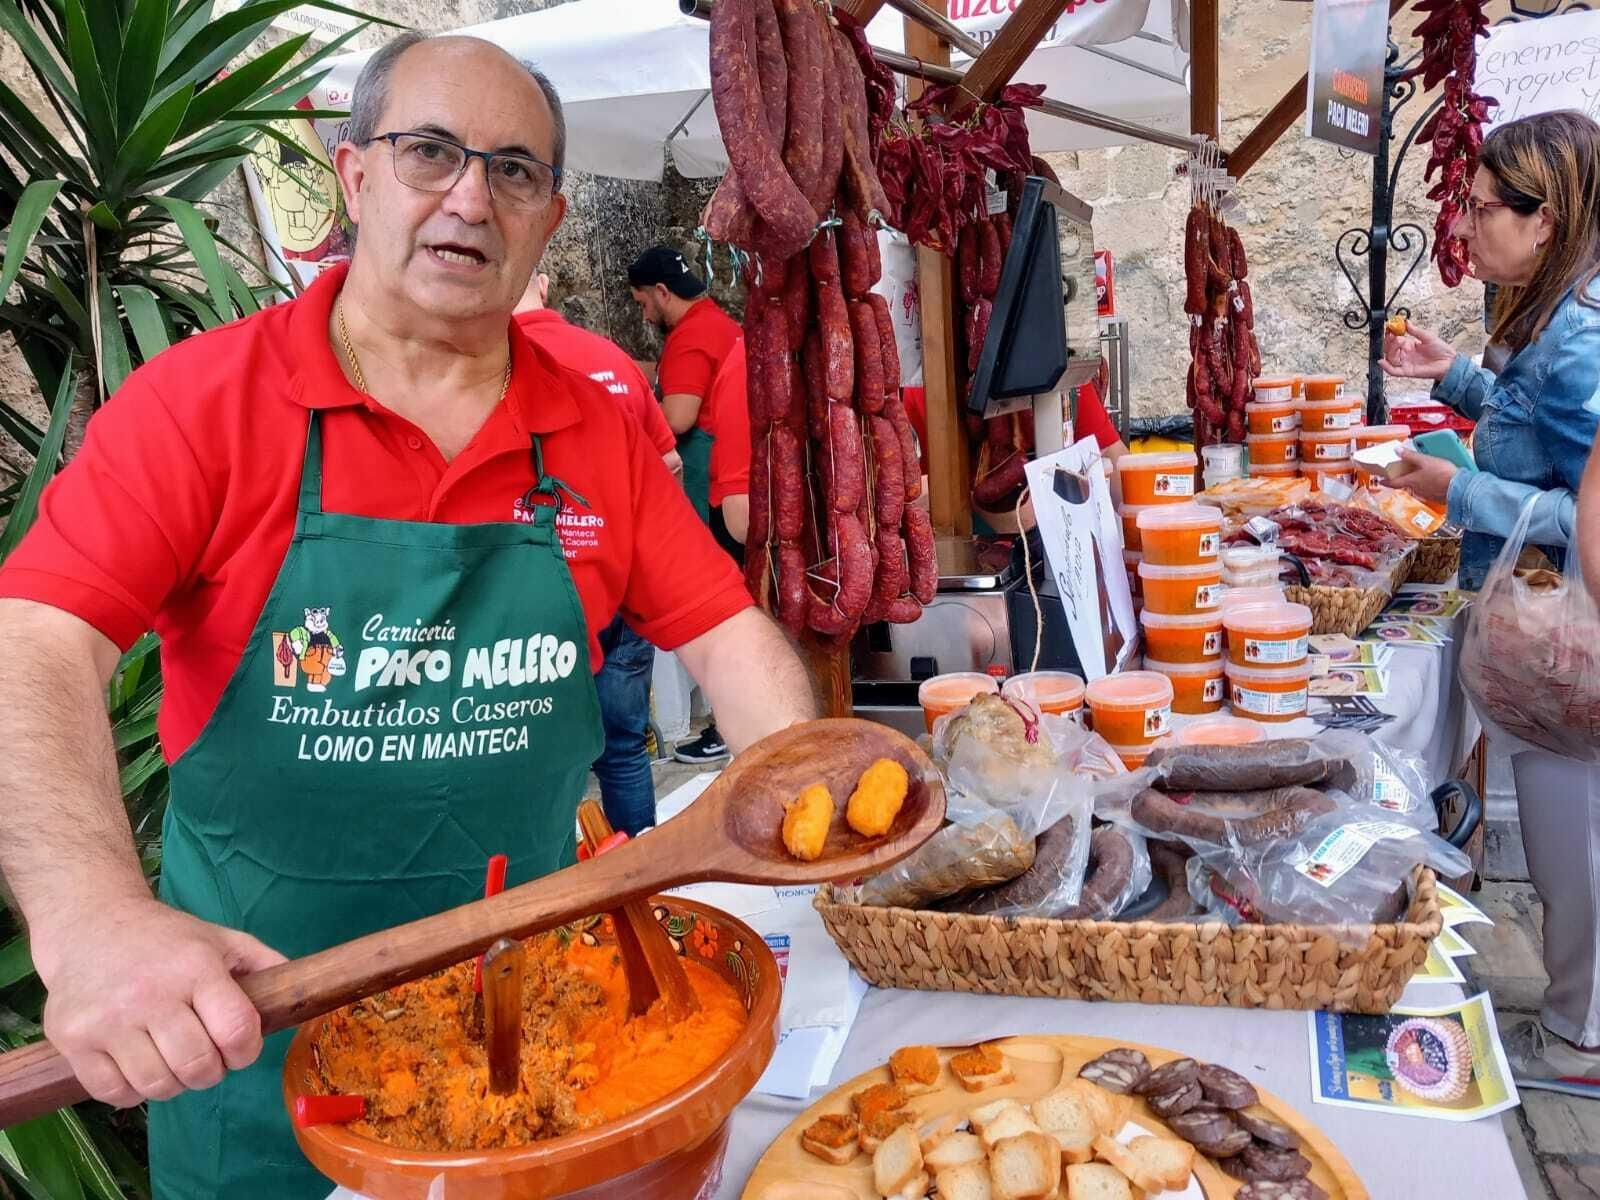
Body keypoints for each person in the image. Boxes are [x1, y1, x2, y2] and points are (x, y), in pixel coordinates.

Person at [0, 33, 815, 1199]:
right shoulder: (201, 404)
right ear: (354, 177)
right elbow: (32, 636)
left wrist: (786, 772)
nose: (470, 197)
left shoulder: (594, 433)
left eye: (515, 171)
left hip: (544, 1049)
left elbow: (727, 632)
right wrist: (90, 918)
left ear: (548, 218)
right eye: (429, 151)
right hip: (262, 1067)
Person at [1380, 109, 1600, 1095]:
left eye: (1479, 210)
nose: (1464, 229)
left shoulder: (1581, 339)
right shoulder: (1553, 316)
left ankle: (1583, 1039)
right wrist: (1455, 375)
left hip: (1570, 636)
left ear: (1543, 217)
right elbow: (1532, 428)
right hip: (1541, 623)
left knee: (1575, 841)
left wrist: (1453, 492)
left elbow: (1584, 500)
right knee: (1565, 839)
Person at [514, 271, 678, 834]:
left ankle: (561, 909)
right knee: (625, 749)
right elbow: (669, 462)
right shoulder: (611, 358)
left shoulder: (486, 370)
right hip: (627, 584)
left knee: (541, 764)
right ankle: (645, 892)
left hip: (534, 599)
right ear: (544, 284)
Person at [626, 246, 742, 764]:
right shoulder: (715, 323)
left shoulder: (690, 339)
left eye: (643, 303)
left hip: (711, 481)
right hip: (730, 477)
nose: (644, 314)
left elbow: (677, 419)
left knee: (718, 600)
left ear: (663, 292)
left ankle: (726, 723)